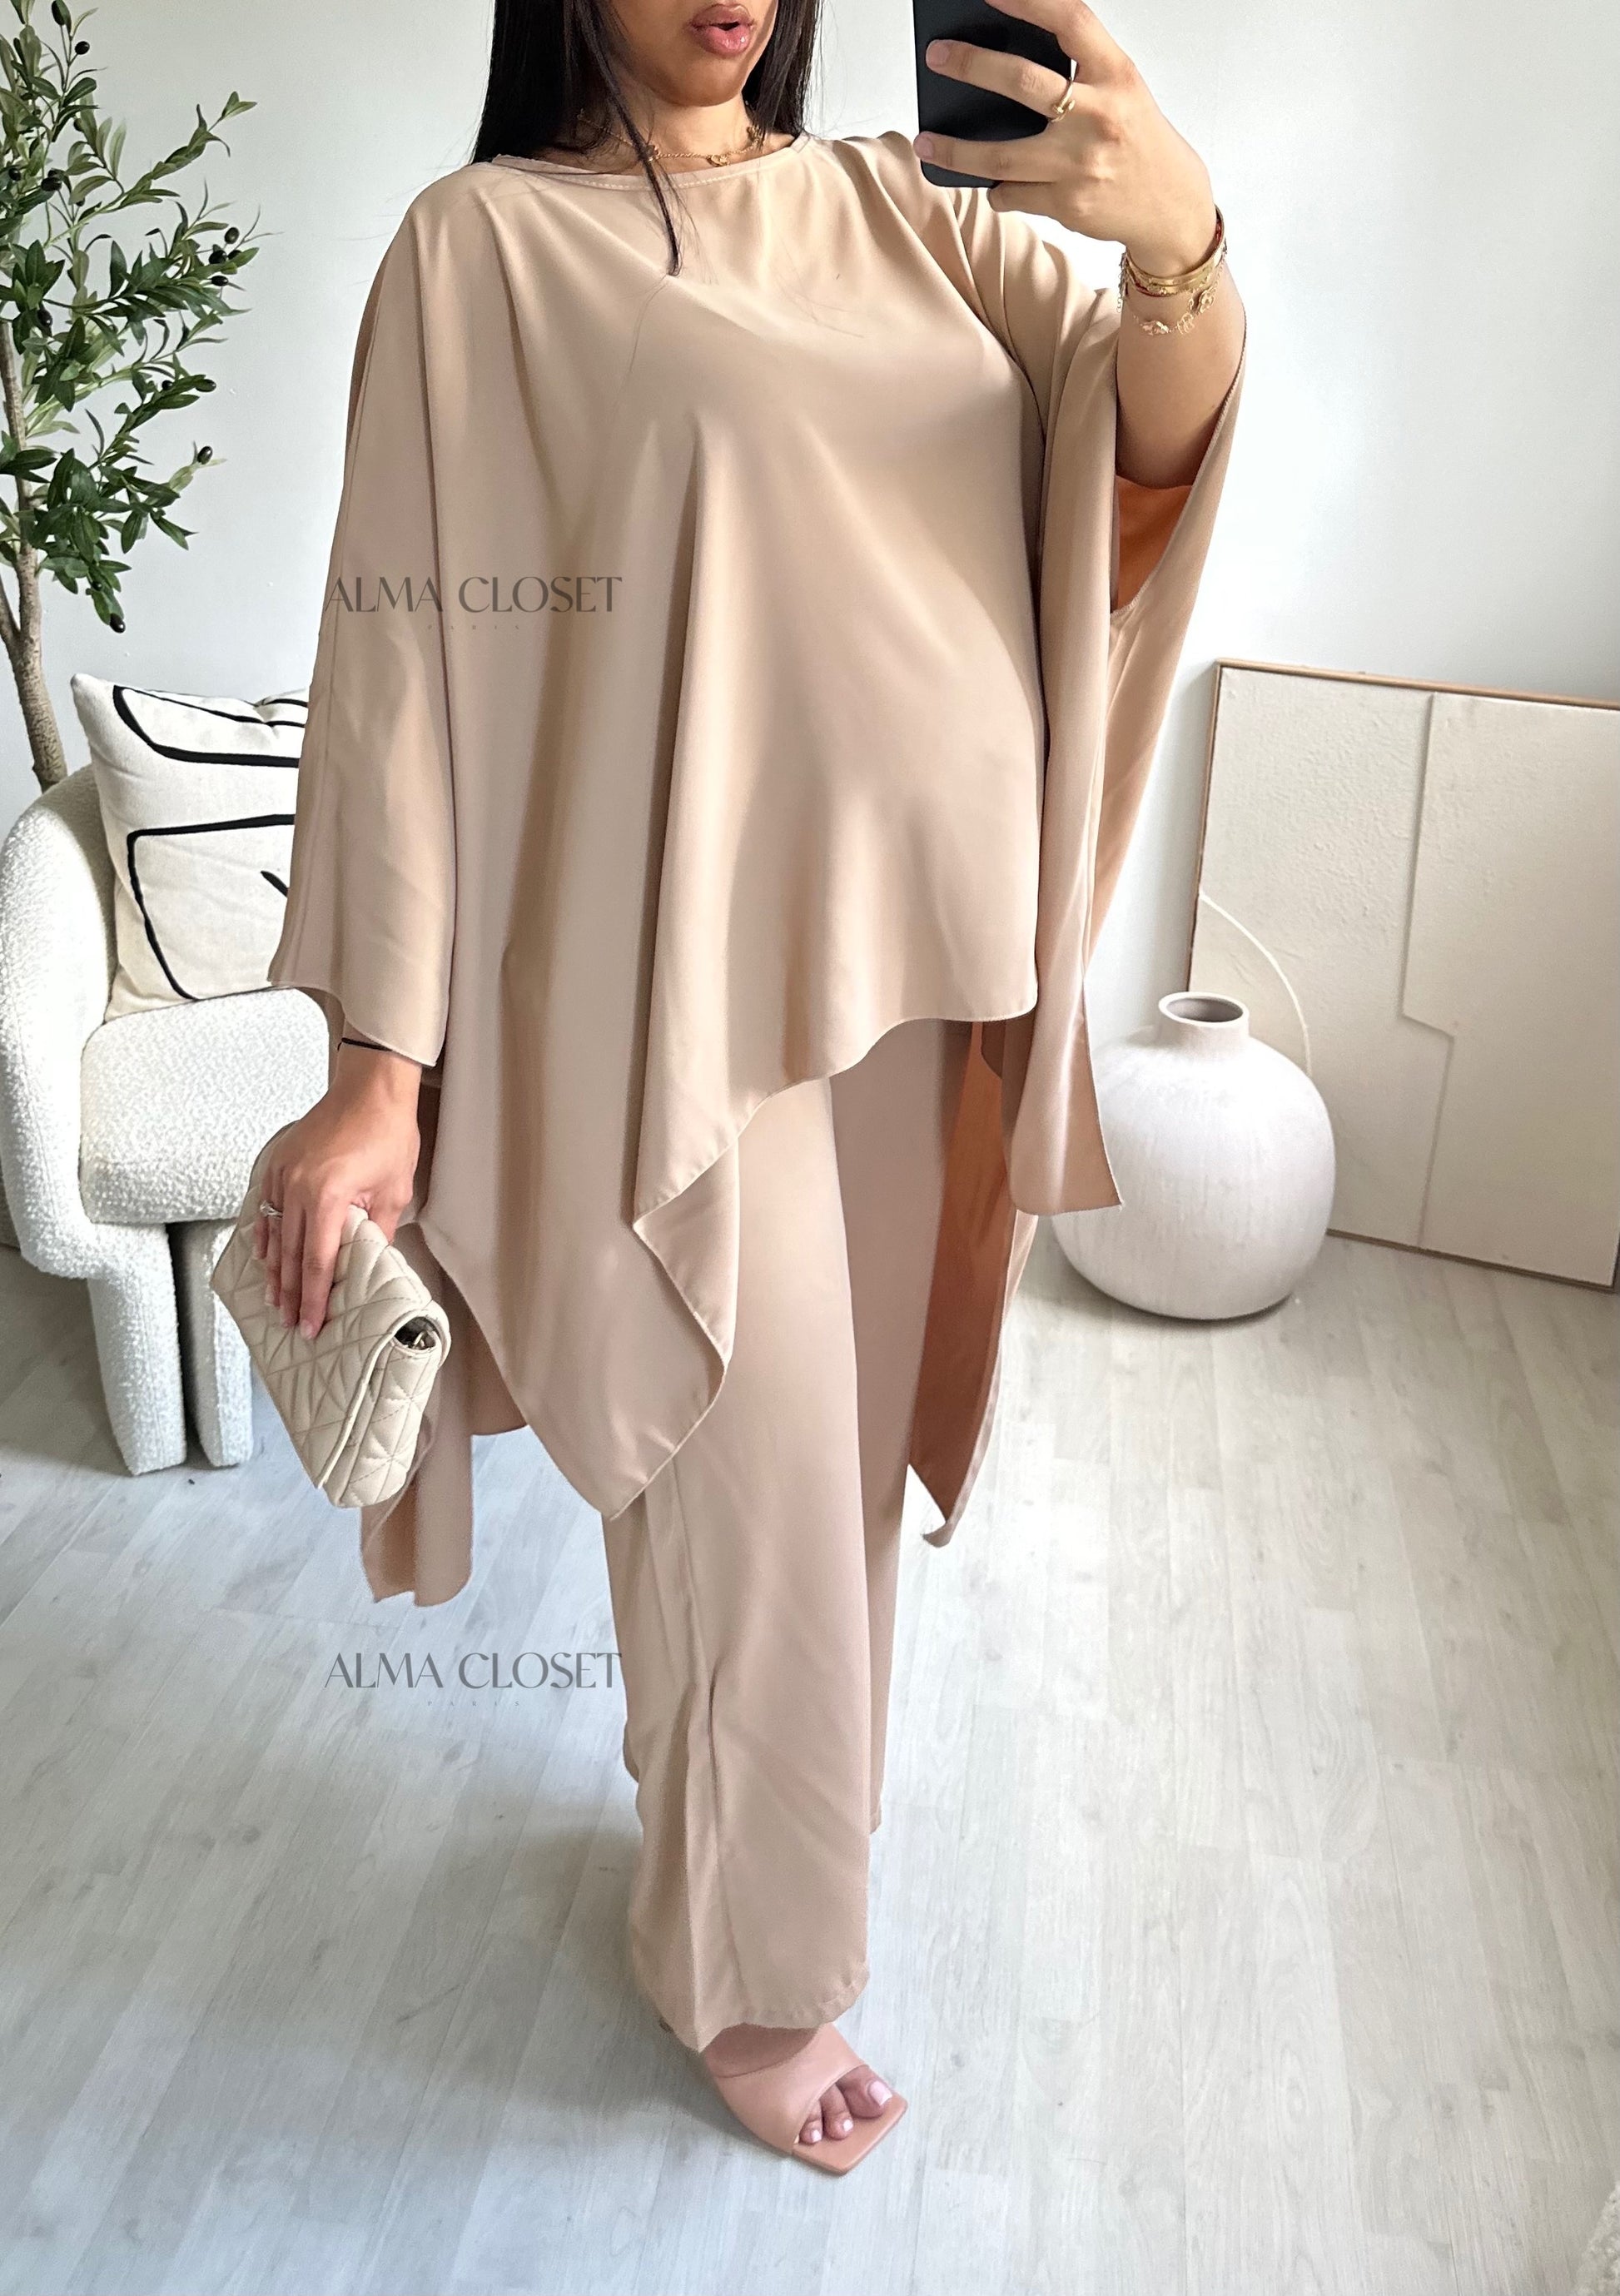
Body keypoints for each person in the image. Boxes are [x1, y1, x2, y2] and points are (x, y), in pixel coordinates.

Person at [255, 0, 1245, 2174]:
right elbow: (401, 659)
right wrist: (374, 1070)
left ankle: (747, 1879)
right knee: (749, 1487)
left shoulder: (914, 213)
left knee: (832, 1502)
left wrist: (1179, 248)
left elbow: (1134, 466)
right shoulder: (481, 247)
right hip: (685, 998)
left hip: (937, 966)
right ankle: (753, 1981)